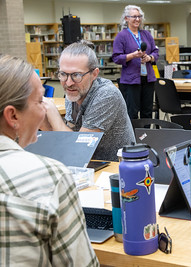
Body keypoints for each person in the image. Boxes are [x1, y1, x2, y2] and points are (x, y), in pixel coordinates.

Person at [0, 54, 99, 266]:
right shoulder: (51, 178)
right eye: (39, 101)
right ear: (13, 116)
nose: (45, 107)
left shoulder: (103, 95)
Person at [41, 40, 135, 161]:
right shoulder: (75, 91)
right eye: (63, 74)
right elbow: (69, 138)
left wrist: (53, 113)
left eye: (77, 75)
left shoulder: (107, 94)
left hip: (115, 169)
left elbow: (80, 148)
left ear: (94, 74)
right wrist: (43, 123)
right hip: (87, 164)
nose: (69, 83)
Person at [112, 5, 159, 119]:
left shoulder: (146, 34)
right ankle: (133, 137)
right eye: (134, 17)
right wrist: (133, 55)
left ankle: (146, 136)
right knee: (132, 112)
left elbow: (155, 52)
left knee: (147, 112)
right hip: (131, 80)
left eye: (139, 16)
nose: (137, 19)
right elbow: (116, 57)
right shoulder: (121, 36)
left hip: (148, 79)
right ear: (126, 18)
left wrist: (150, 58)